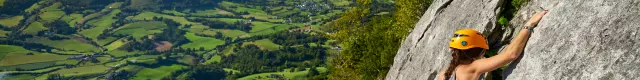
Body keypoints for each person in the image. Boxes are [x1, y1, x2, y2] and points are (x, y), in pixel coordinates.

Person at [436, 10, 549, 80]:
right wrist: (529, 25)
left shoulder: (444, 73)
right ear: (477, 53)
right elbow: (511, 54)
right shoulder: (473, 67)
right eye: (483, 52)